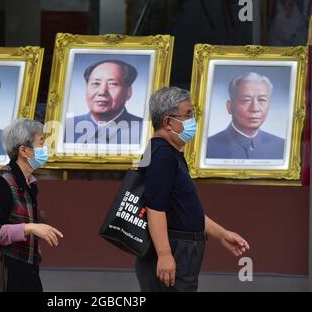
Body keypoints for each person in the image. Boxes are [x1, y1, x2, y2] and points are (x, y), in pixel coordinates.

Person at [135, 86, 250, 292]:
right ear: (168, 122)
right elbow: (155, 209)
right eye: (188, 115)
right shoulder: (162, 155)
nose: (192, 121)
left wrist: (222, 234)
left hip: (183, 248)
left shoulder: (170, 153)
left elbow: (185, 209)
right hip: (174, 248)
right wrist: (164, 254)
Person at [0, 118, 63, 292]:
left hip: (27, 268)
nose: (45, 149)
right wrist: (30, 228)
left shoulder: (29, 182)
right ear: (24, 150)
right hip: (5, 271)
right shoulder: (1, 182)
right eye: (41, 143)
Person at [206, 72, 285, 159]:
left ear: (269, 105)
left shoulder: (282, 147)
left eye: (262, 100)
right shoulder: (207, 148)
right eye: (246, 100)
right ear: (229, 107)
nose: (255, 108)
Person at [64, 59, 143, 145]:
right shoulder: (65, 128)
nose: (102, 92)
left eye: (112, 84)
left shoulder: (145, 130)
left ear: (128, 92)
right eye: (96, 84)